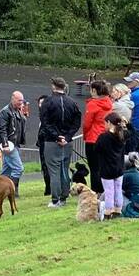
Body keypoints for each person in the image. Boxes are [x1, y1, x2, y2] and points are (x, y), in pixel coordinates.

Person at [40, 78, 83, 209]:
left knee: (54, 171)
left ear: (53, 86)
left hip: (52, 141)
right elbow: (77, 121)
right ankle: (64, 196)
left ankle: (55, 199)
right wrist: (68, 136)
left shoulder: (47, 102)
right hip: (67, 141)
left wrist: (56, 136)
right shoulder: (72, 102)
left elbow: (45, 122)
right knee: (64, 169)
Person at [82, 81, 113, 191]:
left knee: (94, 168)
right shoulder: (108, 102)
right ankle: (105, 189)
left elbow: (87, 123)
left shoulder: (93, 104)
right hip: (105, 136)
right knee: (103, 166)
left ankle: (96, 191)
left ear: (94, 90)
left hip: (93, 138)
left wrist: (85, 135)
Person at [0, 92, 28, 192]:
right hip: (9, 145)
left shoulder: (17, 111)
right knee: (18, 168)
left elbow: (20, 125)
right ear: (13, 99)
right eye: (19, 100)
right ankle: (13, 191)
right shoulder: (5, 112)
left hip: (15, 144)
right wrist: (5, 144)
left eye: (22, 100)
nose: (21, 102)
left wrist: (23, 115)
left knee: (6, 171)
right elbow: (2, 129)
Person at [95, 113, 127, 218]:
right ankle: (118, 210)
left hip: (107, 169)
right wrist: (127, 124)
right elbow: (132, 132)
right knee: (118, 189)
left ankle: (108, 212)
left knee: (109, 191)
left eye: (105, 123)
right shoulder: (122, 135)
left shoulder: (103, 137)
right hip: (119, 168)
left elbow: (97, 149)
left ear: (109, 123)